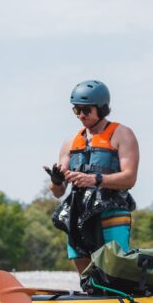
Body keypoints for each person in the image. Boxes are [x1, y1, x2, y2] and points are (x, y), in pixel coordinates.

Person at [45, 80, 139, 275]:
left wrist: (95, 179)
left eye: (86, 110)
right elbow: (58, 192)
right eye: (76, 110)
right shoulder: (70, 142)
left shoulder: (122, 134)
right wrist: (55, 181)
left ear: (102, 109)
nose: (80, 115)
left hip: (111, 212)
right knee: (87, 276)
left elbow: (129, 179)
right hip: (78, 215)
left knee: (115, 271)